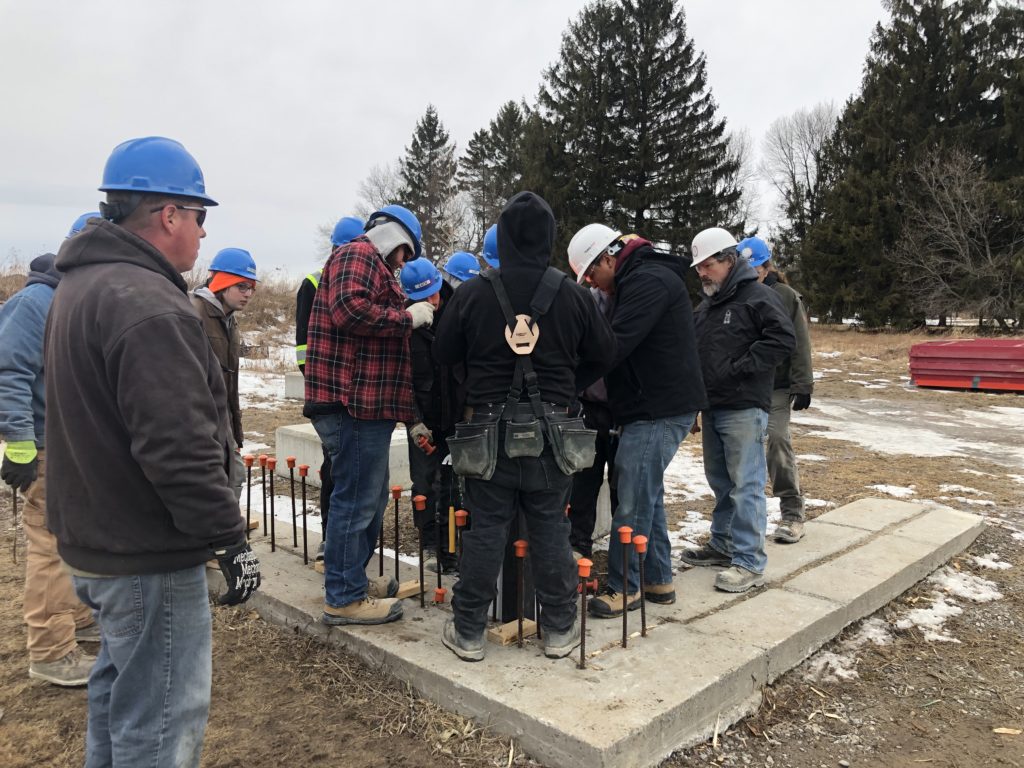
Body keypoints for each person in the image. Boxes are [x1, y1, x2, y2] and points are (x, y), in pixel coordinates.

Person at [45, 136, 260, 768]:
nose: (202, 232)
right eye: (198, 216)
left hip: (98, 539)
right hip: (145, 552)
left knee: (120, 698)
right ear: (169, 215)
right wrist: (230, 539)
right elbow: (176, 447)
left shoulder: (84, 286)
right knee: (163, 720)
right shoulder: (148, 306)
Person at [434, 191, 615, 662]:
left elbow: (443, 352)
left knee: (485, 529)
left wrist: (478, 381)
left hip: (486, 435)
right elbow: (604, 354)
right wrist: (565, 385)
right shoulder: (574, 295)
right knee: (551, 529)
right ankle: (558, 630)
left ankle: (468, 632)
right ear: (548, 238)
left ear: (506, 238)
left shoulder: (472, 293)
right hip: (553, 437)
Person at [304, 204, 434, 626]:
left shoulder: (375, 266)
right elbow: (349, 309)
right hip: (352, 404)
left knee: (370, 498)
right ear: (392, 235)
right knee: (356, 500)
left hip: (368, 405)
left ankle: (352, 581)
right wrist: (407, 318)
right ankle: (343, 597)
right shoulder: (358, 254)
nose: (404, 262)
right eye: (405, 252)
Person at [568, 223, 707, 617]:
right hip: (651, 405)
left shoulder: (648, 282)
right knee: (647, 494)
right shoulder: (638, 279)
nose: (592, 284)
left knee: (630, 495)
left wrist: (562, 383)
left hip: (658, 408)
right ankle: (658, 579)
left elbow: (613, 346)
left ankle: (624, 586)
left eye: (591, 274)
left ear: (608, 258)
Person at [1, 225, 100, 688]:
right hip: (45, 448)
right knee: (50, 544)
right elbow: (8, 373)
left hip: (72, 445)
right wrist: (20, 445)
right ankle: (49, 650)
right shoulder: (36, 303)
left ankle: (76, 619)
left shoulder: (78, 299)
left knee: (72, 538)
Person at [682, 227, 795, 593]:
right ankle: (723, 543)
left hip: (744, 405)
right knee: (720, 480)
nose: (702, 273)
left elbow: (783, 339)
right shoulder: (708, 306)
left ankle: (749, 560)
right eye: (698, 267)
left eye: (708, 265)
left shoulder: (758, 297)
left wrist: (741, 367)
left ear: (729, 261)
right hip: (713, 405)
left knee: (746, 483)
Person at [296, 215, 364, 559]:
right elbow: (303, 348)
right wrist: (322, 386)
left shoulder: (363, 282)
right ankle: (330, 538)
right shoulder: (314, 283)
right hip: (330, 397)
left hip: (359, 395)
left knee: (358, 472)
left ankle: (354, 542)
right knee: (334, 468)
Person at [738, 237, 814, 544]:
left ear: (766, 267)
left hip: (777, 386)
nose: (750, 275)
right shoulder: (736, 294)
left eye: (755, 269)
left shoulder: (785, 296)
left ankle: (792, 512)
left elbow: (800, 341)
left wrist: (803, 383)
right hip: (745, 385)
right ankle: (739, 522)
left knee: (777, 440)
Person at [399, 257, 461, 573]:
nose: (431, 302)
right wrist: (413, 422)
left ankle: (453, 547)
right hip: (424, 419)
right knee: (424, 483)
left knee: (455, 484)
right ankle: (429, 545)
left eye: (434, 294)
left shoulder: (459, 311)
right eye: (423, 298)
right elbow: (400, 379)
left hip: (456, 418)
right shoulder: (404, 323)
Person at [192, 247, 259, 501]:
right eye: (241, 286)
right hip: (201, 430)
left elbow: (230, 386)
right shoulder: (193, 313)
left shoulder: (229, 319)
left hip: (224, 426)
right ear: (222, 282)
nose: (248, 294)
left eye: (251, 288)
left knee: (234, 481)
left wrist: (236, 435)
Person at [567, 286, 617, 561]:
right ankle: (578, 545)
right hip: (588, 408)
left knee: (621, 485)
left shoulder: (627, 304)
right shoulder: (587, 301)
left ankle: (623, 553)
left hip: (619, 410)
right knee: (583, 482)